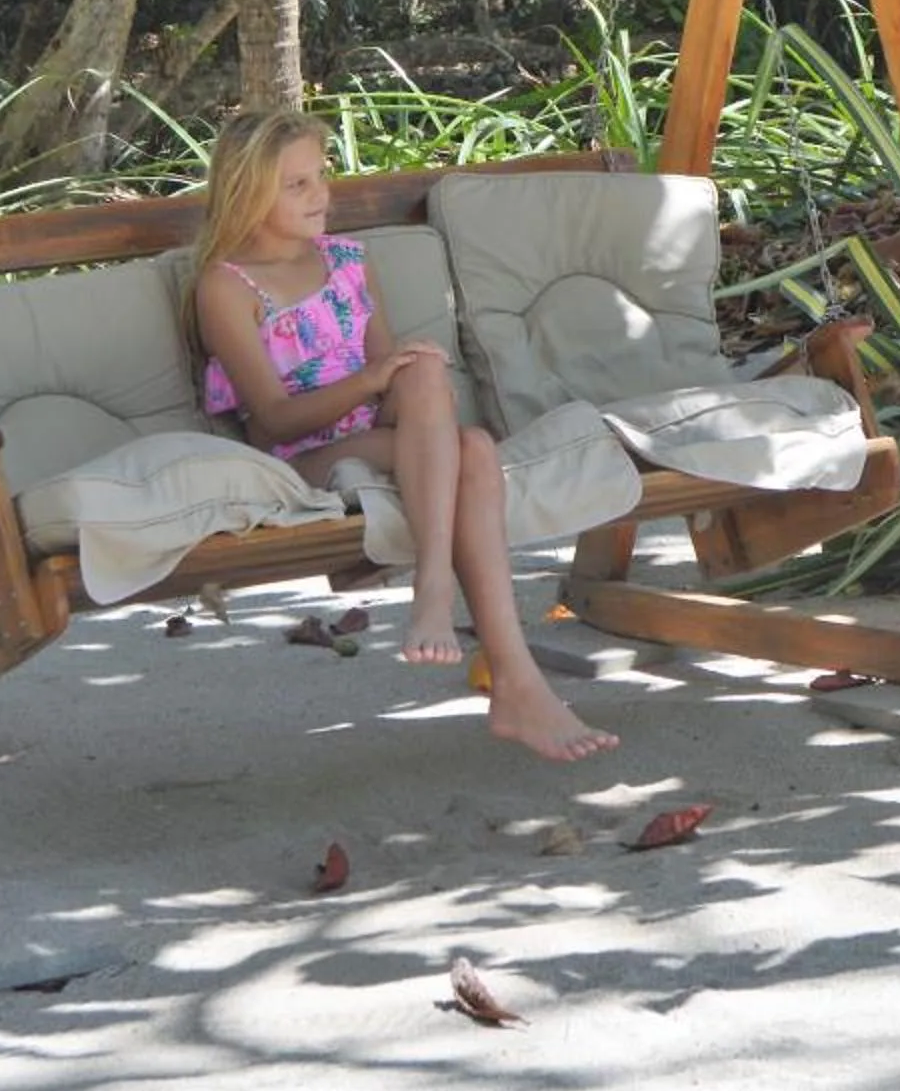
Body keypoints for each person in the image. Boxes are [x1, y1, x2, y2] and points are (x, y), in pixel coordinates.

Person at [190, 107, 617, 763]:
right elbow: (272, 419)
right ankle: (491, 650)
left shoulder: (347, 261)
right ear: (248, 192)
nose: (320, 194)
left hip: (380, 438)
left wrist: (398, 377)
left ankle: (472, 633)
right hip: (300, 459)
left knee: (454, 421)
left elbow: (391, 387)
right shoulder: (227, 286)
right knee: (454, 433)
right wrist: (373, 381)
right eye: (295, 185)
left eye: (320, 176)